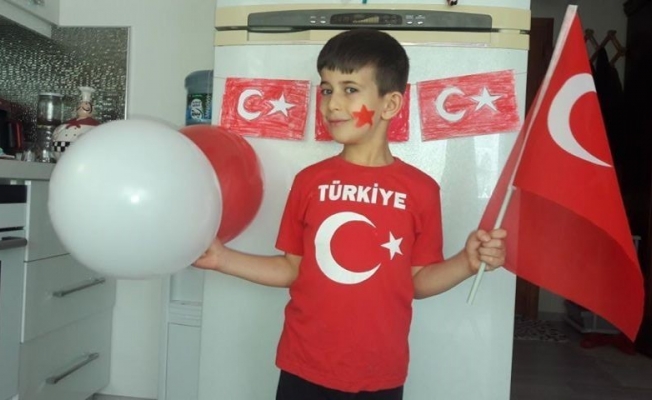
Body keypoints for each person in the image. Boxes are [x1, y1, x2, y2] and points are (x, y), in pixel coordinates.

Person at [193, 28, 507, 400]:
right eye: (327, 89)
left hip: (379, 372)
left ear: (390, 105)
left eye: (350, 89)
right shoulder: (309, 182)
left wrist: (467, 262)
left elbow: (418, 281)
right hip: (303, 364)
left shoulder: (421, 190)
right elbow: (292, 268)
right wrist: (223, 259)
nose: (332, 104)